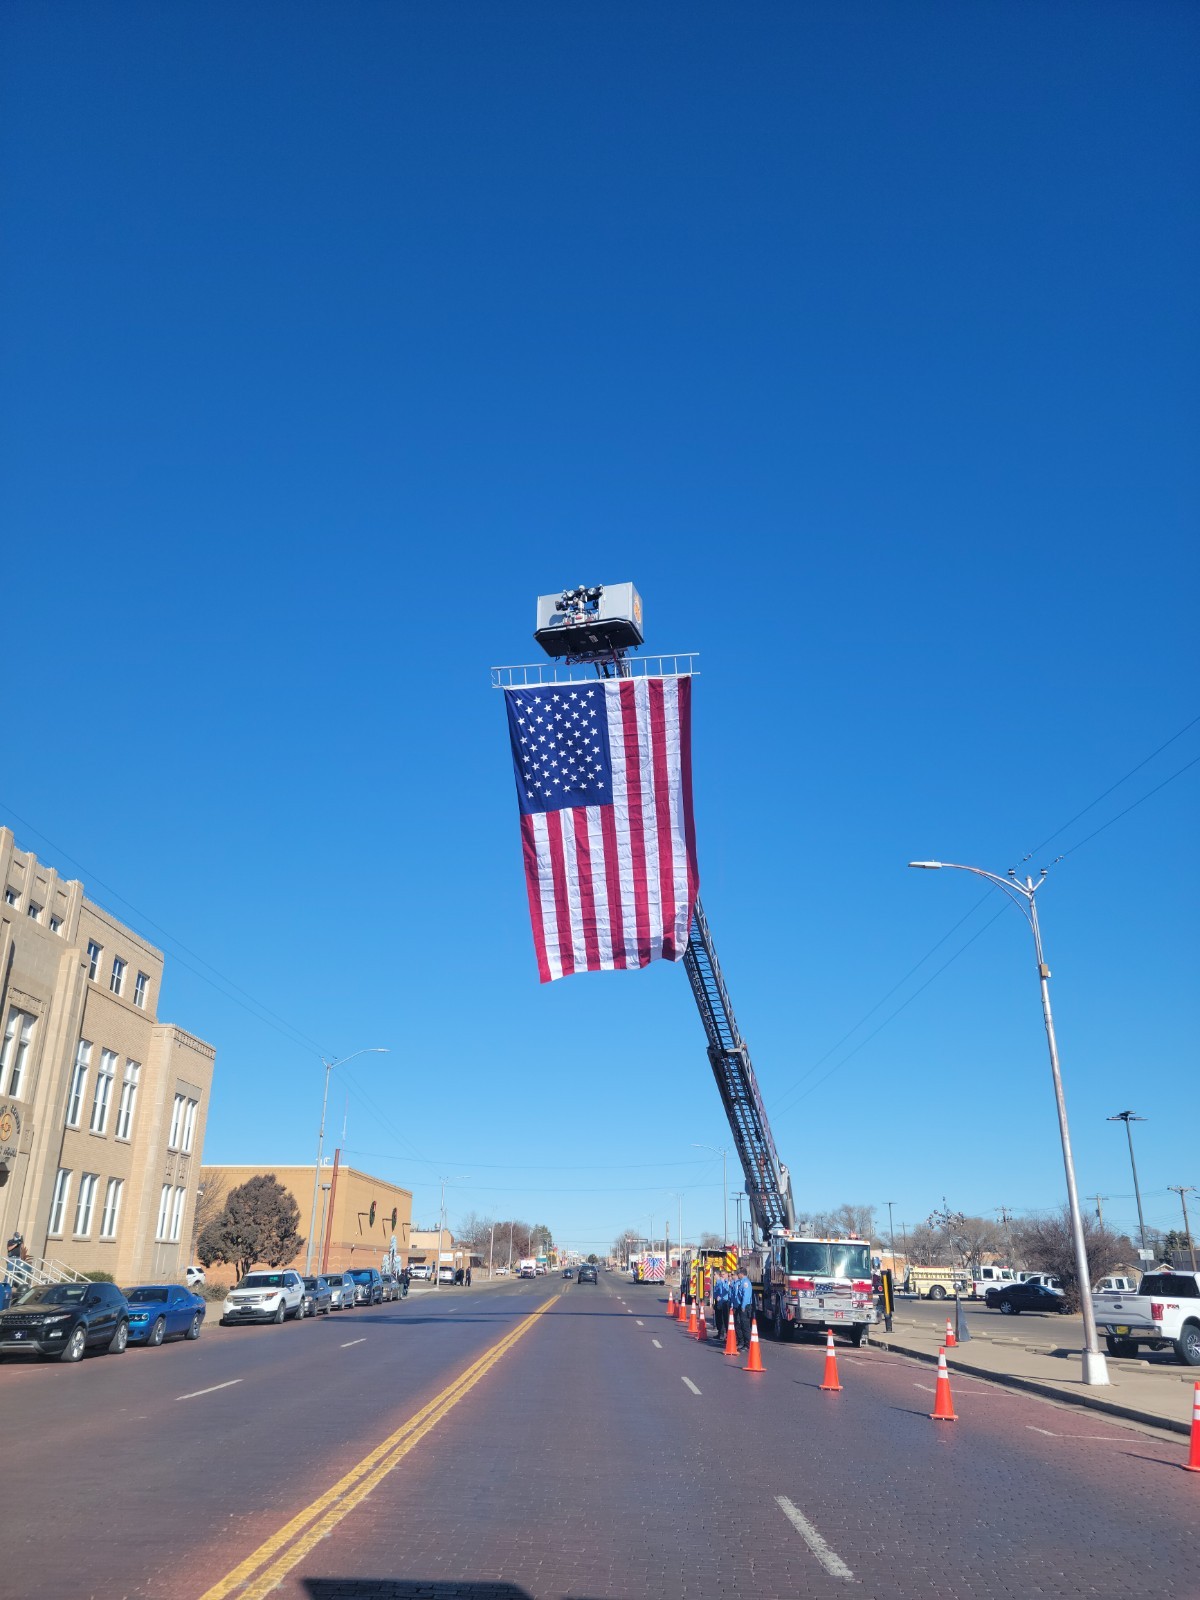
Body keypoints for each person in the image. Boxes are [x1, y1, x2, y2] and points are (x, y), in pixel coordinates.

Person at [732, 1267, 754, 1352]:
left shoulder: (746, 1283)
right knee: (738, 1324)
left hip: (744, 1306)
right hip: (739, 1305)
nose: (737, 1275)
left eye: (738, 1273)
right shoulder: (740, 1282)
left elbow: (746, 1296)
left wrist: (743, 1306)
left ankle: (747, 1344)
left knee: (745, 1325)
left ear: (742, 1274)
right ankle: (741, 1342)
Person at [712, 1270, 731, 1342]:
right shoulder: (718, 1282)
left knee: (725, 1320)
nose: (722, 1275)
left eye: (723, 1274)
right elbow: (717, 1292)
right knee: (719, 1318)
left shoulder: (724, 1282)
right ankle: (720, 1333)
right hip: (720, 1301)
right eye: (721, 1274)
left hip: (725, 1302)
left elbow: (726, 1291)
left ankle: (723, 1334)